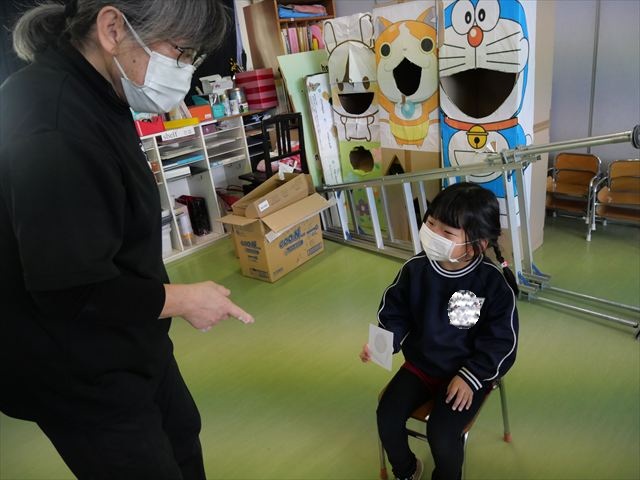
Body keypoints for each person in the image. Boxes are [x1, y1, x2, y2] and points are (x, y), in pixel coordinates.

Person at [0, 1, 253, 478]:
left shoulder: (99, 90)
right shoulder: (51, 122)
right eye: (180, 52)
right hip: (77, 366)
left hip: (130, 333)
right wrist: (184, 299)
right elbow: (71, 290)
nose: (185, 70)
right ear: (113, 28)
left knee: (182, 432)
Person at [360, 182, 520, 480]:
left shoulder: (491, 284)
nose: (433, 234)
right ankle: (407, 470)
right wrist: (385, 341)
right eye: (431, 223)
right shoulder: (415, 269)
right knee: (387, 416)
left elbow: (502, 342)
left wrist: (471, 376)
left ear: (477, 245)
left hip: (466, 374)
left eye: (447, 232)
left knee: (442, 434)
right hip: (422, 366)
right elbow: (396, 312)